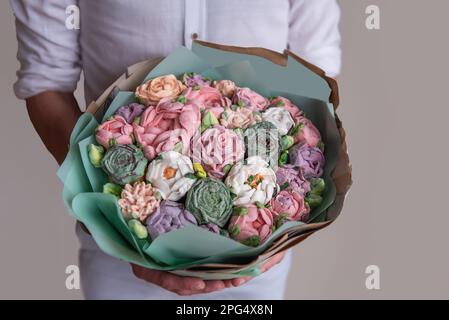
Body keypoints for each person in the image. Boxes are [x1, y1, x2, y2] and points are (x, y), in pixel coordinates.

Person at [10, 0, 341, 299]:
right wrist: (108, 216)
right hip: (118, 247)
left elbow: (315, 76)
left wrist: (283, 225)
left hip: (257, 247)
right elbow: (46, 82)